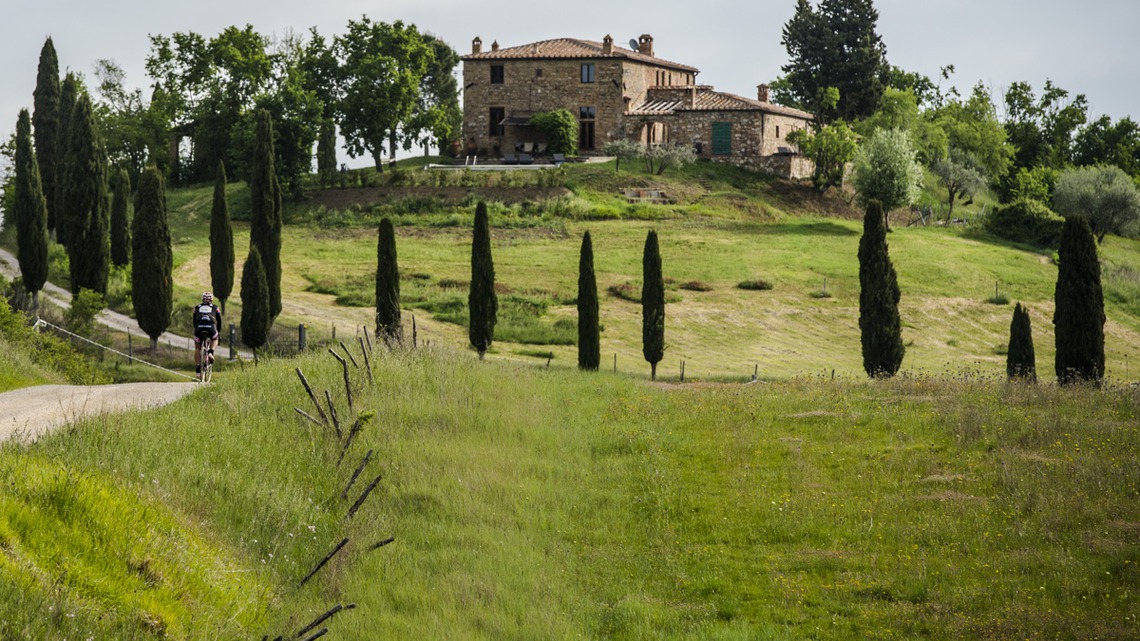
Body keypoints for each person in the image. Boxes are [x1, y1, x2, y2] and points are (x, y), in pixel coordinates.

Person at [192, 292, 222, 374]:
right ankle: (210, 352)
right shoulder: (215, 307)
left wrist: (197, 329)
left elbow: (194, 321)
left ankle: (198, 368)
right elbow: (219, 320)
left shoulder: (197, 307)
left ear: (202, 299)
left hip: (199, 327)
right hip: (211, 327)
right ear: (211, 299)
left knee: (197, 348)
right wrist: (218, 331)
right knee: (215, 339)